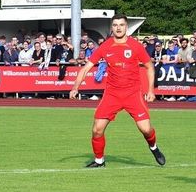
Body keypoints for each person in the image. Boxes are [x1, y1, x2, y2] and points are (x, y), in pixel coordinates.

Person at [68, 14, 165, 168]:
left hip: (133, 94)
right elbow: (86, 68)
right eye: (115, 25)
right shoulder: (105, 47)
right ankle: (99, 161)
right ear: (112, 28)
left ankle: (153, 147)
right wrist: (75, 87)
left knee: (146, 129)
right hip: (112, 94)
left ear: (126, 27)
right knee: (97, 129)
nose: (118, 28)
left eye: (121, 25)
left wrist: (151, 90)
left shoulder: (136, 46)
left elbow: (149, 67)